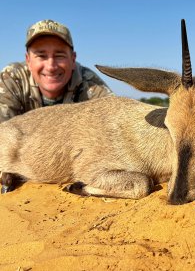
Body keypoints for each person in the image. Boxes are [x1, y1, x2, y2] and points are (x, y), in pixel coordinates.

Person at [0, 19, 114, 192]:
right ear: (28, 59)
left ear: (73, 58)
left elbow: (115, 126)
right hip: (27, 152)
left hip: (68, 162)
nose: (51, 66)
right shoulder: (11, 78)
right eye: (41, 55)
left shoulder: (90, 83)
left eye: (59, 55)